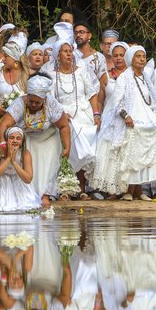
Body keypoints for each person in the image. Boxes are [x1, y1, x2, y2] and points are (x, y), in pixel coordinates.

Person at [91, 46, 156, 200]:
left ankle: (141, 191)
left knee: (144, 155)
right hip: (129, 122)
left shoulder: (145, 77)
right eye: (138, 56)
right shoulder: (124, 77)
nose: (142, 59)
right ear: (131, 59)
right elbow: (117, 102)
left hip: (146, 121)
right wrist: (126, 116)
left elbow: (153, 98)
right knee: (130, 155)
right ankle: (128, 191)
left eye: (143, 56)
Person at [0, 74, 71, 206]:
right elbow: (4, 124)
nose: (34, 105)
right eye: (31, 101)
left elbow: (64, 126)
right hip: (27, 138)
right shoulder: (20, 103)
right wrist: (3, 144)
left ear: (44, 99)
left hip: (48, 138)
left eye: (38, 102)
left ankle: (45, 195)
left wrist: (67, 147)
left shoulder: (52, 104)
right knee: (28, 161)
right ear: (27, 96)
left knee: (50, 161)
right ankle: (30, 195)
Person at [46, 40, 100, 197]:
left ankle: (82, 190)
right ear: (57, 56)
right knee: (65, 151)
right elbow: (49, 99)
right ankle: (65, 190)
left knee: (83, 152)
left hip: (83, 114)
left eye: (70, 51)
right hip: (62, 116)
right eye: (65, 51)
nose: (69, 54)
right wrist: (61, 113)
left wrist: (96, 114)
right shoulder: (52, 76)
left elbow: (91, 94)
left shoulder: (81, 72)